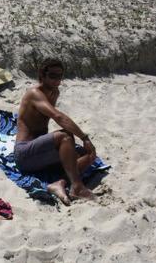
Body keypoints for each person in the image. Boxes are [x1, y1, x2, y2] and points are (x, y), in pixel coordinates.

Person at [14, 59, 97, 205]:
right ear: (42, 75)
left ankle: (59, 182)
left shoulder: (54, 92)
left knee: (89, 154)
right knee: (65, 136)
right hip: (25, 154)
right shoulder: (34, 93)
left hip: (41, 153)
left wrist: (84, 142)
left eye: (60, 76)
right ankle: (77, 187)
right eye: (52, 76)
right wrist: (84, 137)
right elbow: (58, 117)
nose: (57, 80)